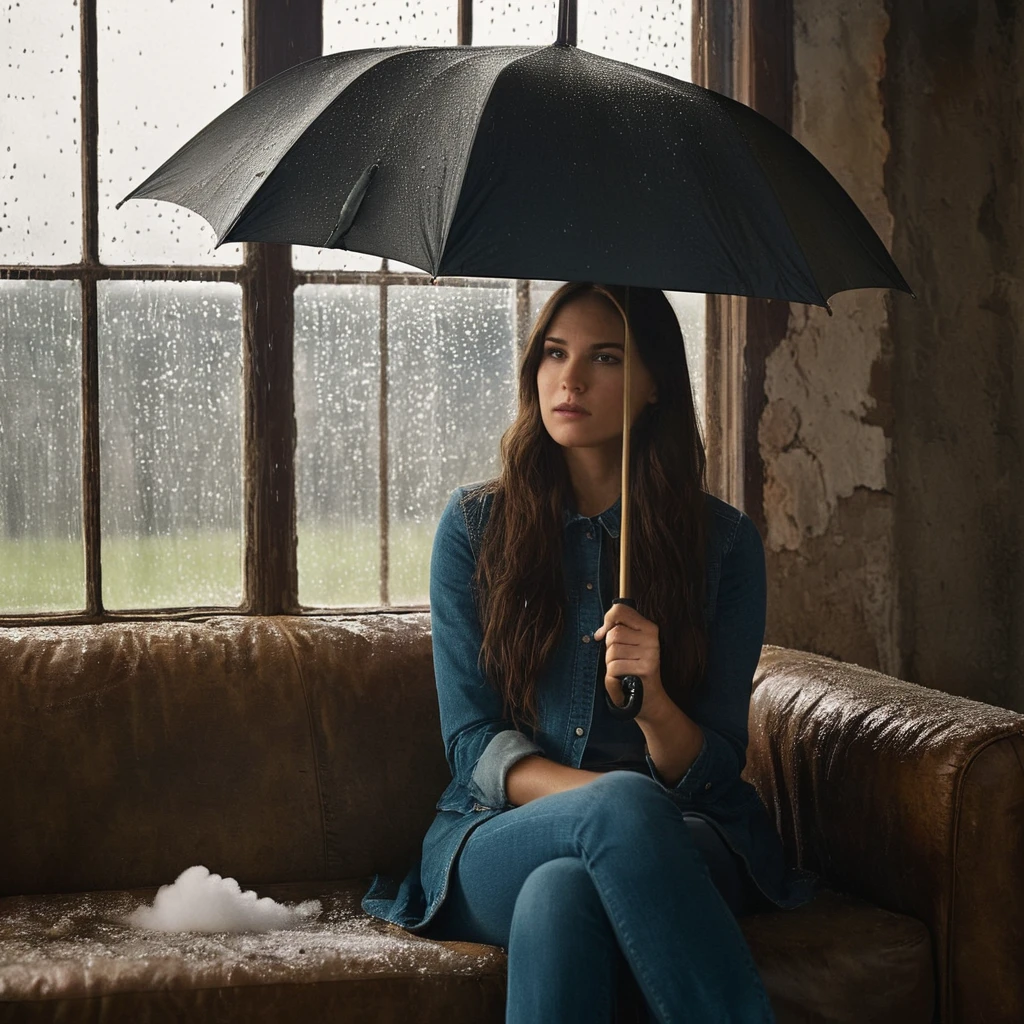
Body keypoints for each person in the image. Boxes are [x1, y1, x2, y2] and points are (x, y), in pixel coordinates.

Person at [362, 282, 820, 1023]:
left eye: (604, 358)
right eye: (554, 353)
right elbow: (473, 743)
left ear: (653, 388)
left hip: (688, 834)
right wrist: (608, 798)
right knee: (613, 812)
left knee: (562, 893)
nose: (569, 379)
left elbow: (714, 767)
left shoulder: (724, 547)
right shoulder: (476, 528)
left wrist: (656, 705)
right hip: (500, 834)